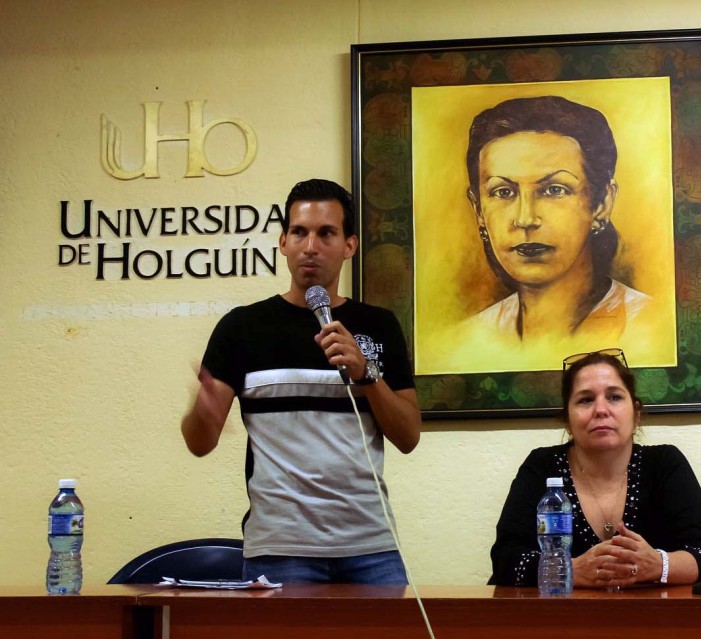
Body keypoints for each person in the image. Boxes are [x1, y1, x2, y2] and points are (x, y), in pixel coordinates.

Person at [181, 178, 421, 584]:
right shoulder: (243, 327)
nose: (310, 246)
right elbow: (199, 444)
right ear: (283, 242)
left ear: (349, 246)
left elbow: (408, 436)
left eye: (326, 233)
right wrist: (201, 410)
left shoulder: (378, 325)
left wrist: (367, 375)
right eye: (299, 232)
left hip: (370, 547)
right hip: (280, 550)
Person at [489, 349, 701, 588]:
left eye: (615, 397)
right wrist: (571, 569)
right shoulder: (542, 466)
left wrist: (657, 564)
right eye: (586, 400)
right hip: (557, 621)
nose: (601, 409)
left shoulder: (665, 463)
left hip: (652, 621)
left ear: (636, 415)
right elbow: (505, 559)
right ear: (567, 421)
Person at [464, 96, 653, 346]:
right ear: (478, 210)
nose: (525, 219)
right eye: (503, 192)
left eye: (554, 190)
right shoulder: (468, 339)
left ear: (602, 203)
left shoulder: (649, 327)